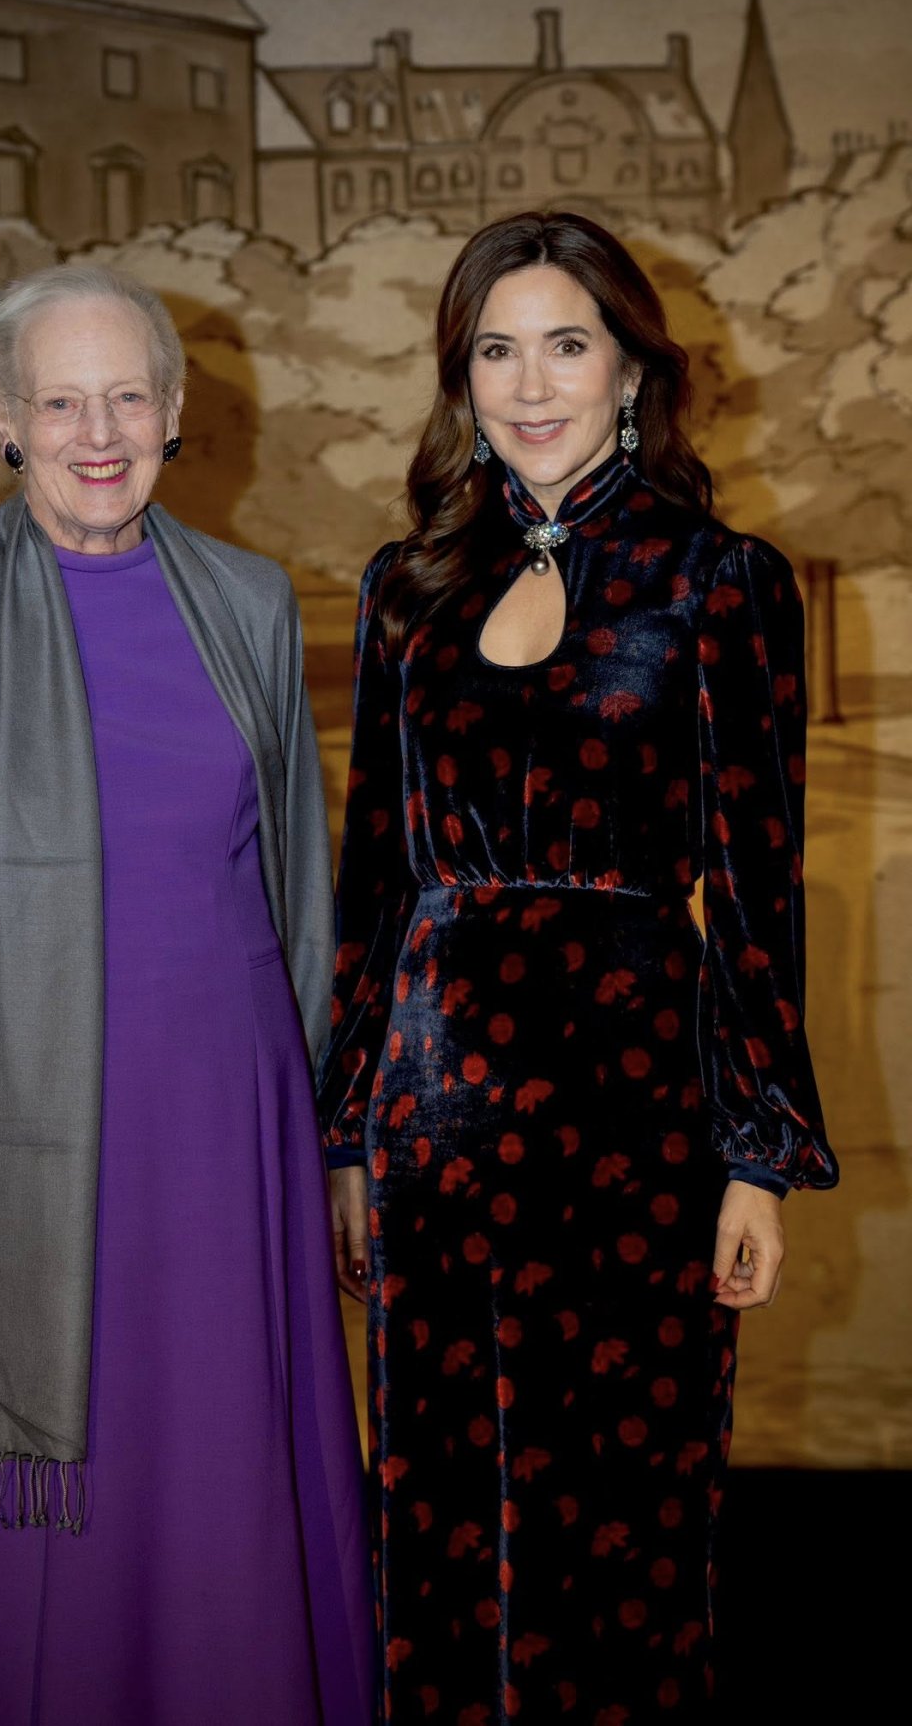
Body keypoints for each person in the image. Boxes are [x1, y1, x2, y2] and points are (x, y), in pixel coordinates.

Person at [0, 262, 373, 1724]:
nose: (98, 430)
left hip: (227, 1133)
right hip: (8, 1149)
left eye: (128, 393)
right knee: (42, 1518)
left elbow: (301, 886)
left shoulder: (253, 606)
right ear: (5, 417)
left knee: (220, 1479)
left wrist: (329, 1148)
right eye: (59, 399)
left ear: (176, 410)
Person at [317, 211, 838, 1723]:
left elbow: (757, 894)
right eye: (495, 348)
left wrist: (757, 1155)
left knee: (629, 1513)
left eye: (567, 343)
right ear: (458, 377)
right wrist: (349, 1126)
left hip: (632, 1119)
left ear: (629, 373)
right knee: (435, 1516)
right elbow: (374, 879)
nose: (530, 383)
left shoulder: (722, 580)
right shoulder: (404, 587)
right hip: (431, 1128)